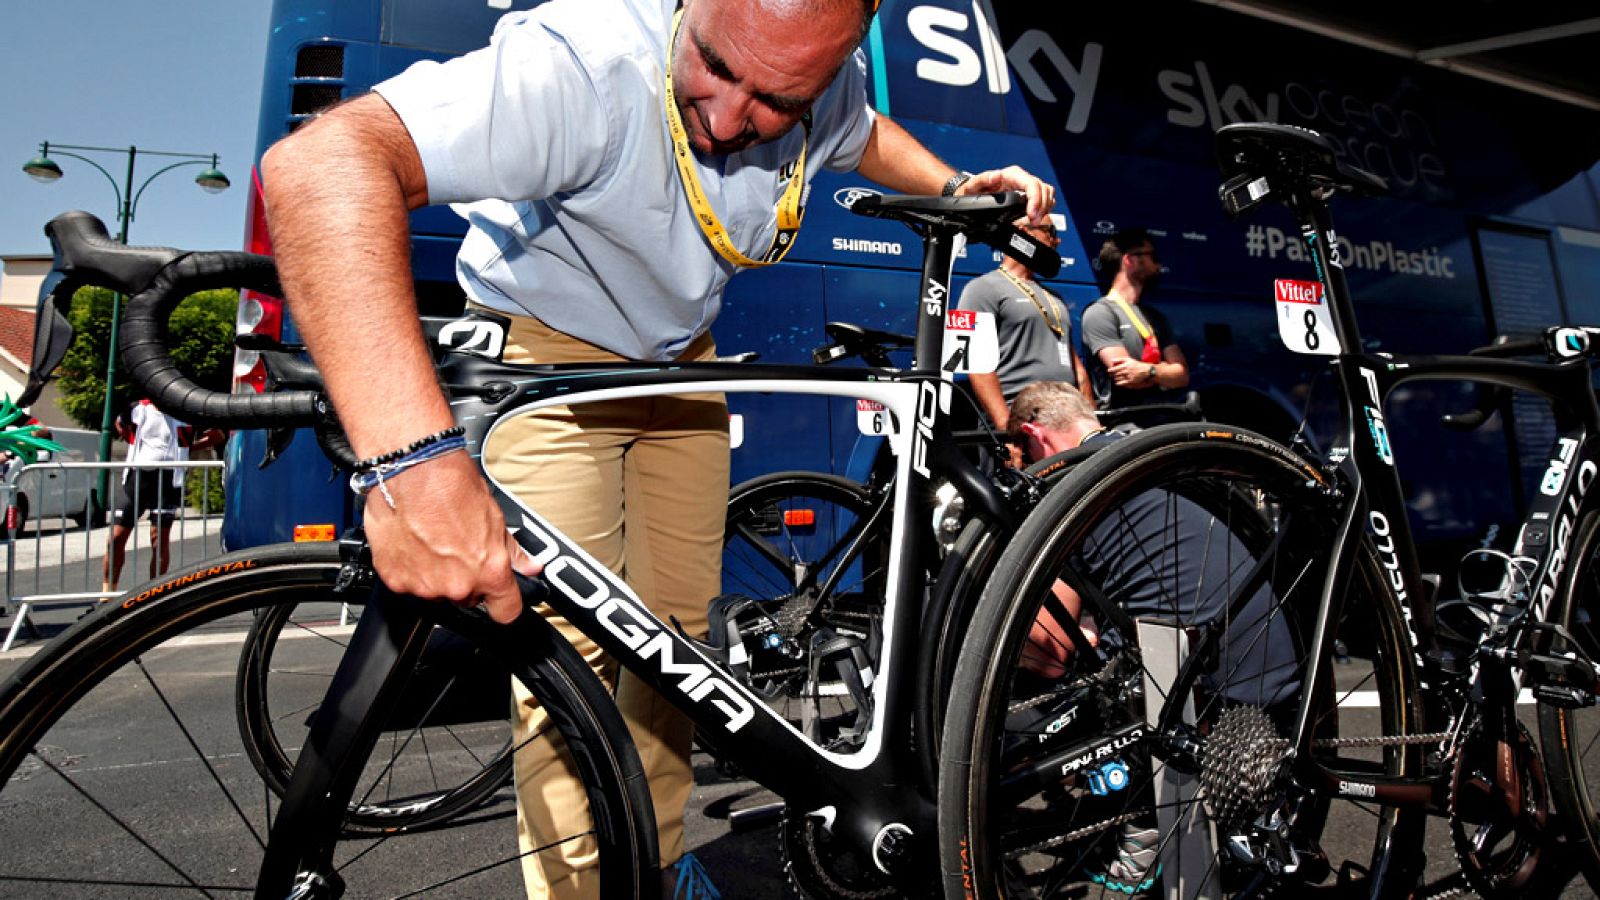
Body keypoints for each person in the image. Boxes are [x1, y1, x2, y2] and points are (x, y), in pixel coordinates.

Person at [257, 0, 1056, 893]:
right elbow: (322, 163)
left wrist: (955, 188)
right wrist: (410, 463)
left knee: (676, 658)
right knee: (568, 670)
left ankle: (661, 864)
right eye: (715, 65)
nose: (724, 121)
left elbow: (863, 131)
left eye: (776, 103)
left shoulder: (822, 82)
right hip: (546, 365)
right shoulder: (583, 64)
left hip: (681, 367)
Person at [1006, 381, 1296, 702]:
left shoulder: (1071, 486)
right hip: (1274, 674)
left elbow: (1049, 656)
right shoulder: (1155, 450)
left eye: (1024, 459)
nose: (1030, 471)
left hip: (1192, 700)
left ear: (1034, 435)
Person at [955, 214, 1091, 437]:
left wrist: (1089, 420)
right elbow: (977, 367)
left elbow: (1077, 369)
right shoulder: (981, 289)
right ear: (1025, 233)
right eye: (1051, 232)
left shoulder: (1053, 296)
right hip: (1020, 422)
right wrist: (1007, 431)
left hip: (1066, 420)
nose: (1057, 241)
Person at [103, 399, 223, 590]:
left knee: (159, 539)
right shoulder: (138, 407)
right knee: (116, 538)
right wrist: (134, 443)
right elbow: (119, 424)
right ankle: (107, 594)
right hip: (138, 476)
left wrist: (187, 449)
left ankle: (153, 594)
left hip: (168, 480)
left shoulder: (185, 409)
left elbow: (217, 436)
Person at [1081, 229, 1189, 414]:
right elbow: (1127, 377)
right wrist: (1163, 371)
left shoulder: (1155, 316)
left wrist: (1148, 372)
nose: (1158, 265)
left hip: (1160, 421)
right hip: (1124, 425)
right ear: (1129, 260)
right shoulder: (1100, 312)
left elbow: (1182, 376)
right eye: (1152, 257)